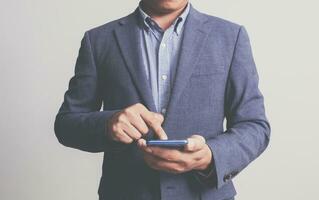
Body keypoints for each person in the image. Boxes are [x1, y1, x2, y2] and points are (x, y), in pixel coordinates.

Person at [54, 0, 271, 199]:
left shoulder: (230, 37)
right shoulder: (99, 40)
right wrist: (108, 124)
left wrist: (209, 156)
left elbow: (255, 126)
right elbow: (66, 124)